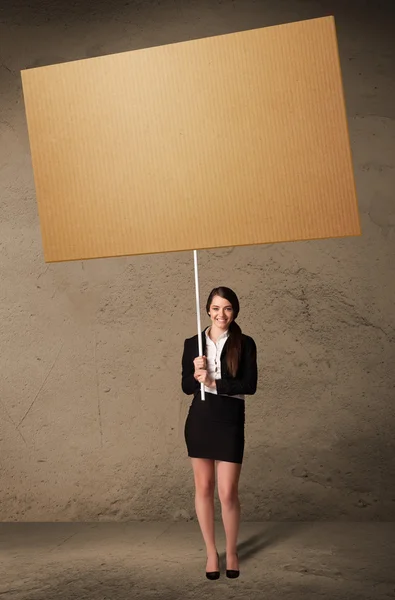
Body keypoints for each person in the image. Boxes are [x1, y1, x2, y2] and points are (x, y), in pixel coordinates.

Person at [181, 286, 258, 580]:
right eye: (215, 308)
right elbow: (187, 387)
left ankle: (233, 551)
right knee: (203, 487)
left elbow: (249, 385)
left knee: (227, 492)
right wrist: (195, 372)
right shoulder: (193, 343)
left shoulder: (245, 343)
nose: (221, 314)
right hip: (200, 419)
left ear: (234, 311)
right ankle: (212, 552)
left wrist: (214, 383)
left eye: (227, 308)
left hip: (229, 420)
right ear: (208, 310)